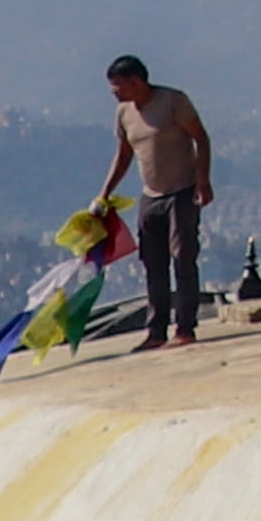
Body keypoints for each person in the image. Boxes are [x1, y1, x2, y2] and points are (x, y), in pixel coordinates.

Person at [94, 52, 214, 349]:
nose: (115, 95)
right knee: (153, 261)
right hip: (151, 195)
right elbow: (124, 154)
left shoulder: (173, 101)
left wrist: (203, 180)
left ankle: (185, 327)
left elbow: (201, 138)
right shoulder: (124, 113)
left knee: (183, 257)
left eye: (118, 88)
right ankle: (156, 330)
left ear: (136, 81)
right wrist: (105, 192)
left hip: (182, 190)